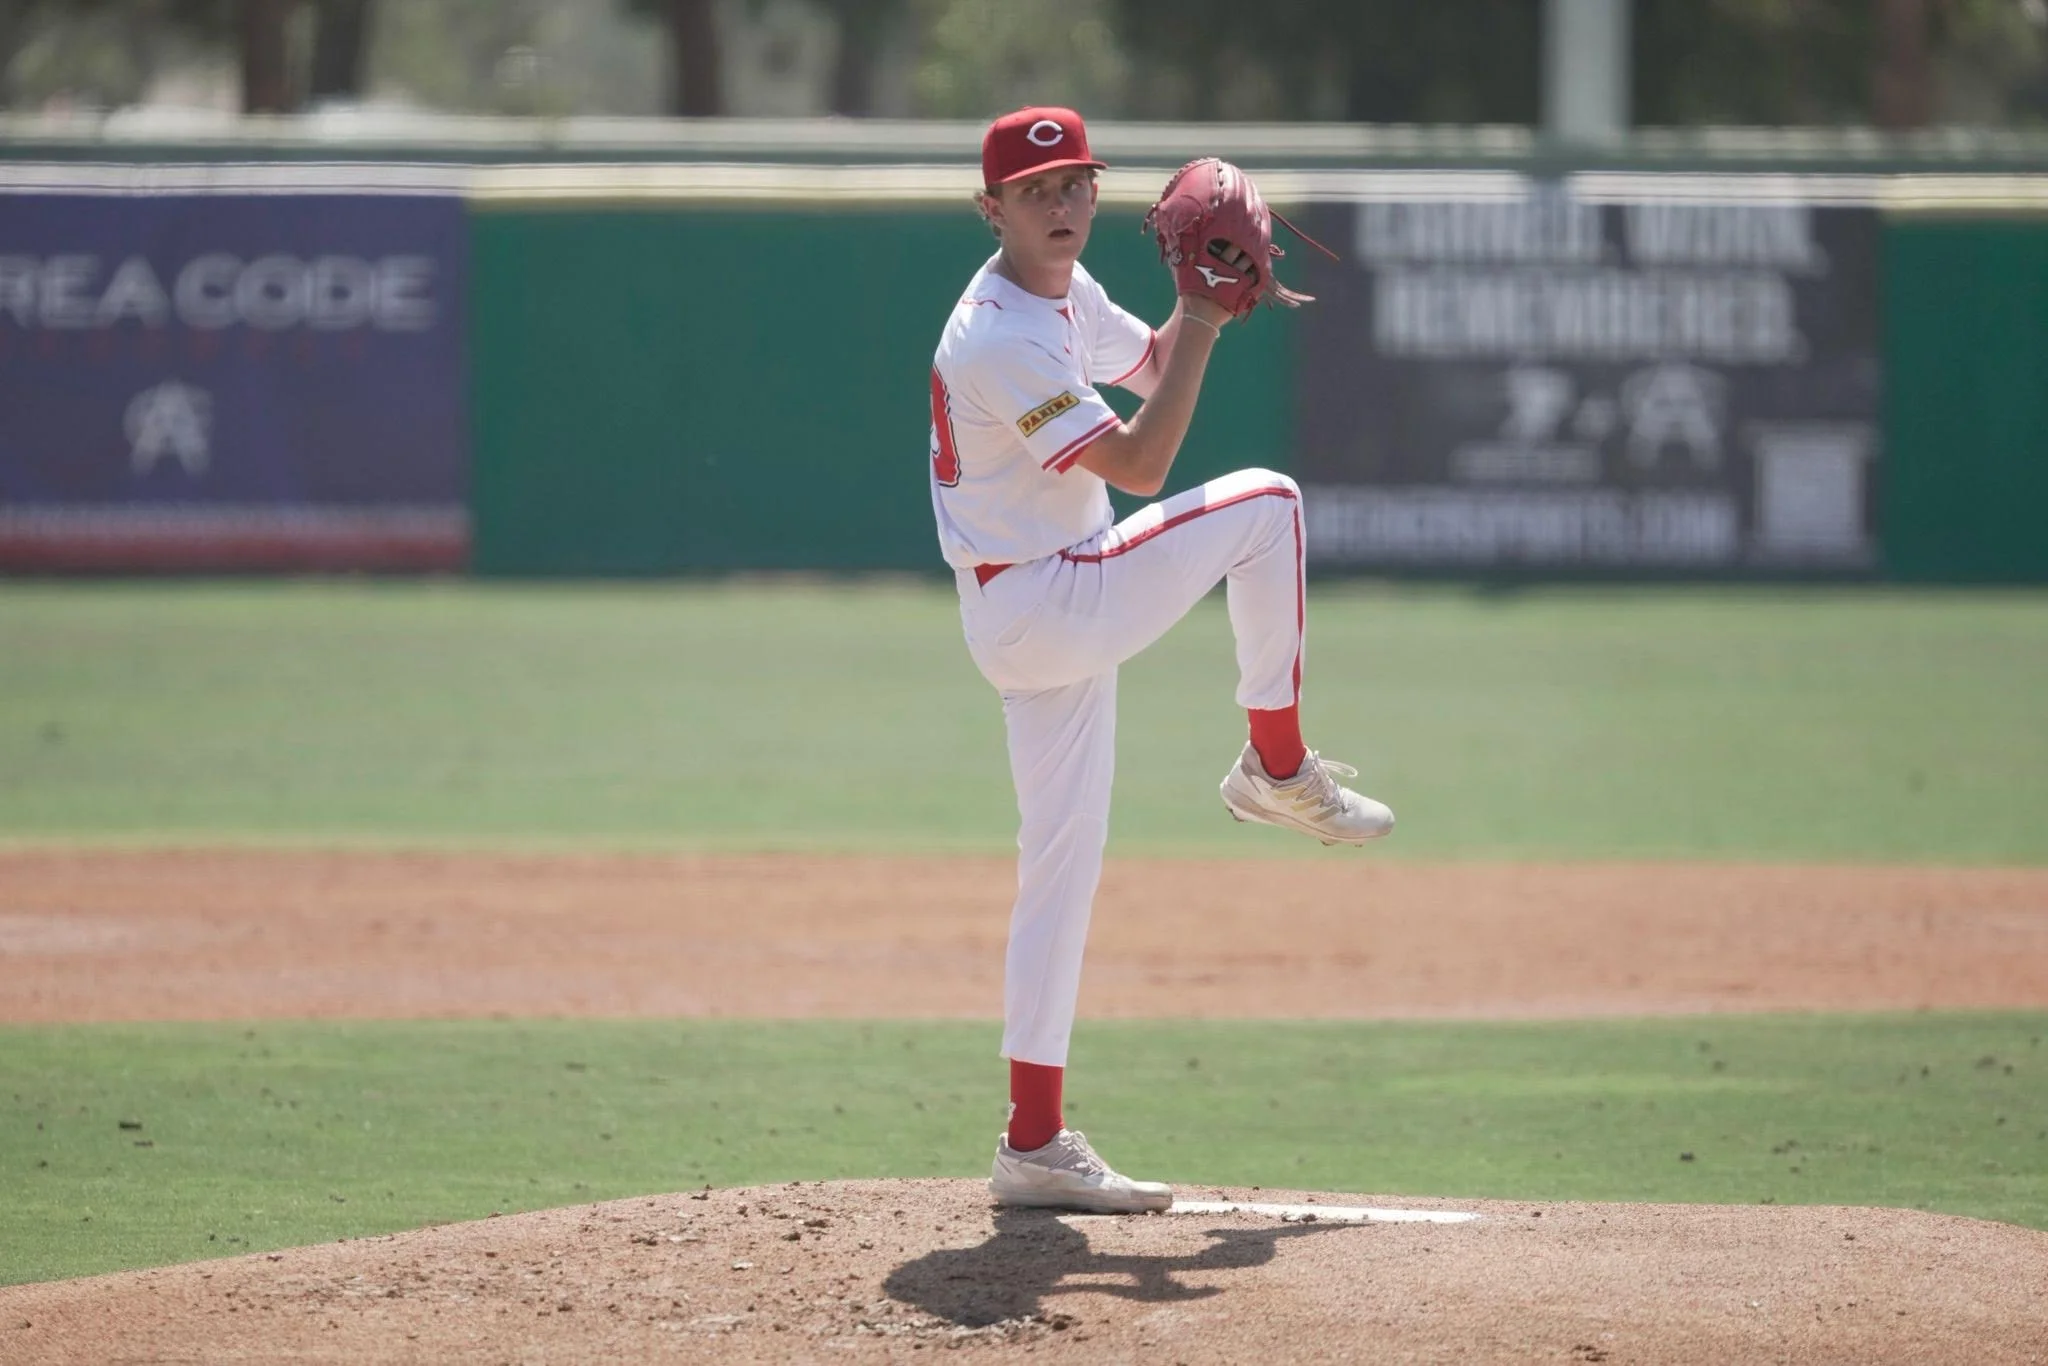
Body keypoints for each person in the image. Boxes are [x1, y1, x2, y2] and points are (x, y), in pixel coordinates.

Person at [929, 107, 1395, 1215]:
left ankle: (1032, 1143)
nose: (1060, 204)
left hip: (1030, 602)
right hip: (1045, 593)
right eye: (1034, 192)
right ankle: (1274, 767)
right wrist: (1201, 312)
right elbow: (1141, 463)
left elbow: (1148, 368)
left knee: (1060, 868)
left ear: (1096, 192)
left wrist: (1205, 313)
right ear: (990, 209)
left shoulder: (1063, 291)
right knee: (1268, 504)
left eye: (1075, 184)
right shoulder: (998, 333)